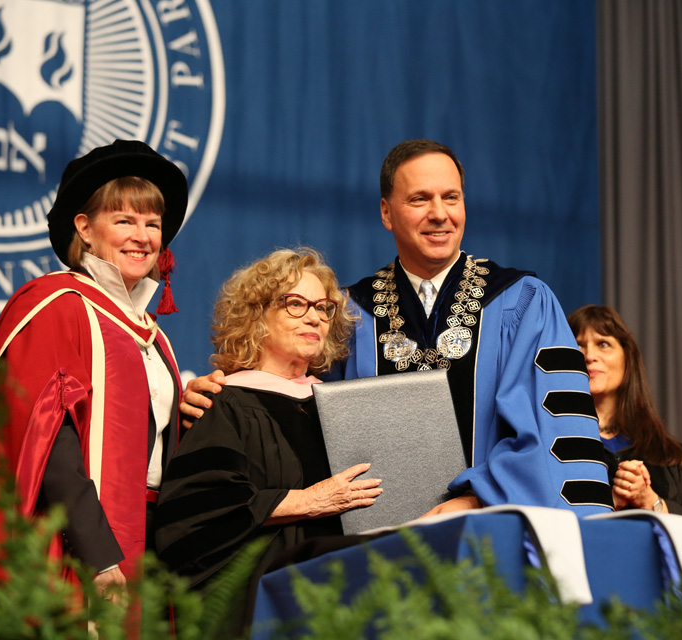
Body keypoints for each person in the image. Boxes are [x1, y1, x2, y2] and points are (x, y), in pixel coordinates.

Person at [183, 140, 612, 517]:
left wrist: (478, 498)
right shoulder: (349, 312)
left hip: (491, 528)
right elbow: (286, 400)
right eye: (420, 199)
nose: (440, 214)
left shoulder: (522, 301)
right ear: (387, 212)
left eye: (452, 197)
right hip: (379, 546)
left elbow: (554, 427)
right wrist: (218, 392)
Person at [0, 140, 187, 602]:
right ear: (84, 227)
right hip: (77, 543)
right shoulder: (56, 307)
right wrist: (98, 554)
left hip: (150, 539)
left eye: (152, 224)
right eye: (124, 220)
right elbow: (48, 439)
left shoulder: (154, 336)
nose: (141, 236)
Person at [153, 248, 381, 588]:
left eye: (322, 308)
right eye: (295, 304)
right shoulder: (224, 404)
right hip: (264, 601)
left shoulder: (341, 407)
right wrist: (308, 501)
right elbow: (194, 520)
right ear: (257, 317)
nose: (314, 317)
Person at [567, 305, 682, 522]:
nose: (590, 355)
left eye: (603, 344)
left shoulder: (668, 456)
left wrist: (650, 501)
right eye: (578, 346)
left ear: (627, 358)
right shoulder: (552, 448)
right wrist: (610, 503)